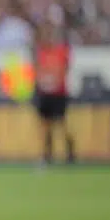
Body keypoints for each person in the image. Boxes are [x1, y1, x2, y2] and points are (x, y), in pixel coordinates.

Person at [33, 20, 75, 166]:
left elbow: (64, 70)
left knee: (62, 125)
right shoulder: (40, 52)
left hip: (58, 93)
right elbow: (37, 71)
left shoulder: (62, 51)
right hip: (45, 94)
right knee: (45, 127)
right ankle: (46, 155)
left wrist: (52, 81)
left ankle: (70, 152)